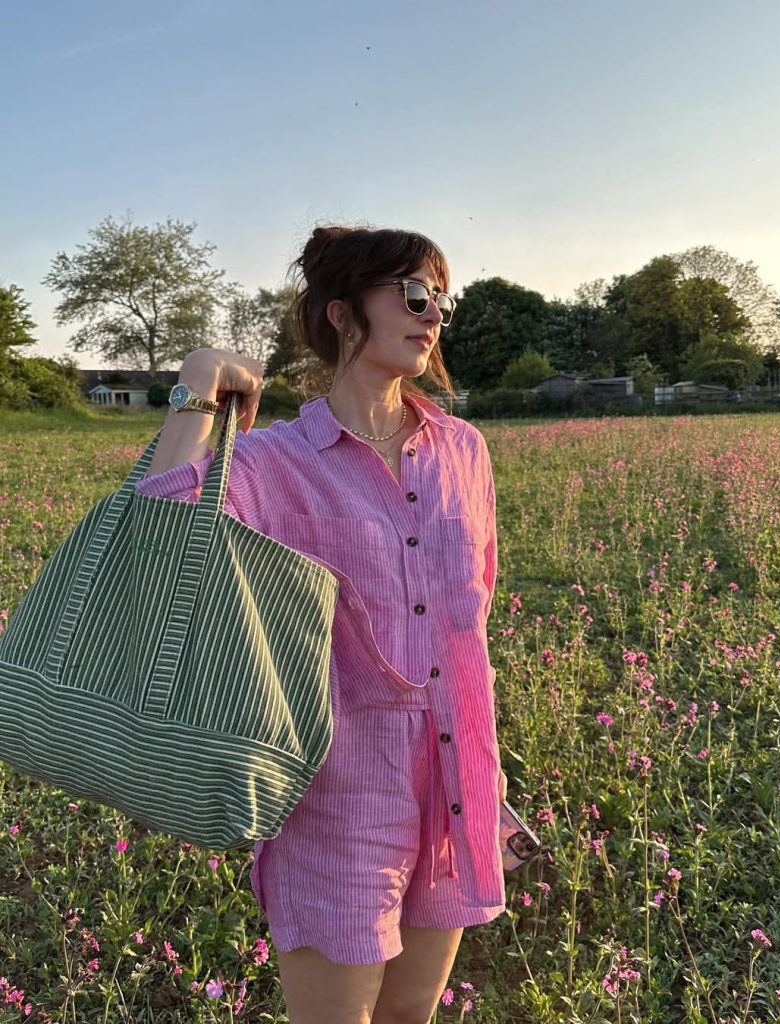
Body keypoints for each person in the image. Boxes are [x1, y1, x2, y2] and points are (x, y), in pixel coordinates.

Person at [137, 225, 507, 1024]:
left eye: (441, 301)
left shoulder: (463, 450)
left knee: (412, 1015)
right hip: (337, 794)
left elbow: (468, 625)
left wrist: (488, 780)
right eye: (414, 295)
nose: (432, 316)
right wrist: (198, 384)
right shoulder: (273, 462)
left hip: (452, 782)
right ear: (342, 313)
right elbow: (155, 535)